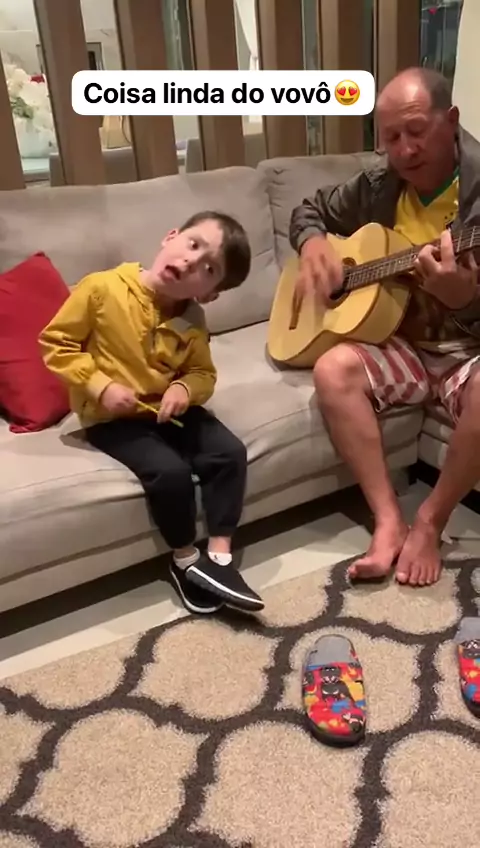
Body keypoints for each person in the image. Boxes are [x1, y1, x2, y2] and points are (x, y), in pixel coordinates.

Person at [289, 67, 480, 588]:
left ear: (451, 120)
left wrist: (464, 299)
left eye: (416, 131)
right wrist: (313, 243)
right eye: (391, 138)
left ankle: (429, 522)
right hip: (401, 342)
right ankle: (388, 519)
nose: (404, 150)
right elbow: (308, 210)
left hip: (467, 350)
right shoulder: (379, 185)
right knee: (333, 370)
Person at [39, 210, 264, 615]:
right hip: (113, 417)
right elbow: (56, 344)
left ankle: (219, 559)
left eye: (208, 268)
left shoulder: (193, 318)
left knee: (229, 452)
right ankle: (185, 560)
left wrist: (183, 388)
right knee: (169, 472)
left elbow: (202, 373)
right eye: (193, 245)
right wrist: (100, 385)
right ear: (170, 237)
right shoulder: (101, 288)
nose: (191, 261)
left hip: (166, 409)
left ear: (209, 294)